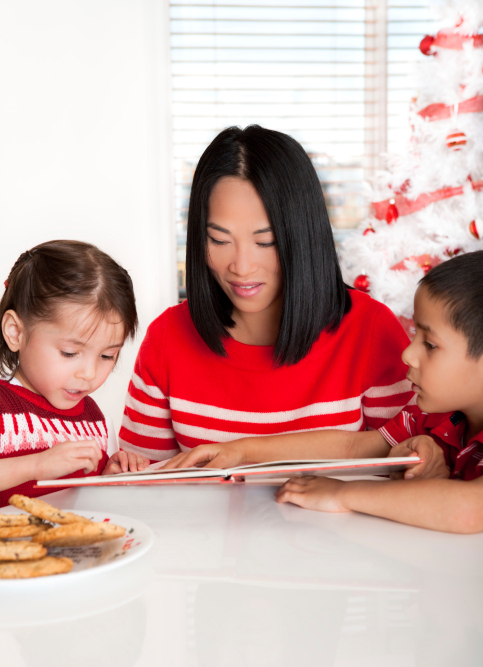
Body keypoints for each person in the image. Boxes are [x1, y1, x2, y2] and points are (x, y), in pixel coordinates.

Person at [119, 125, 414, 462]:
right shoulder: (168, 338)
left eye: (266, 242)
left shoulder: (370, 330)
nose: (242, 267)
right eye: (219, 240)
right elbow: (142, 489)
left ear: (303, 235)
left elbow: (410, 464)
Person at [168, 252, 483, 534]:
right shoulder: (430, 418)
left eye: (430, 345)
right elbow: (351, 447)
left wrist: (341, 494)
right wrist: (242, 452)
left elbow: (471, 510)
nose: (407, 355)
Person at [0, 240, 148, 507]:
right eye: (69, 353)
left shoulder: (93, 419)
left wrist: (109, 476)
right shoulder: (3, 408)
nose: (89, 373)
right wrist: (36, 465)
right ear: (16, 332)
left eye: (107, 356)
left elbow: (88, 503)